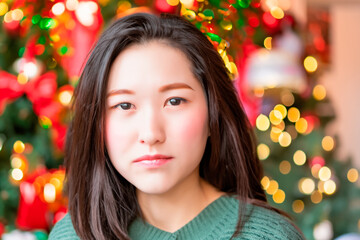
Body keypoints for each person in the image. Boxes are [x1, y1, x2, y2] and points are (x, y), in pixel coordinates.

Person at [49, 13, 304, 240]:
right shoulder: (73, 235)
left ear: (213, 114)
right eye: (124, 105)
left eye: (174, 101)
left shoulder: (269, 235)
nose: (151, 134)